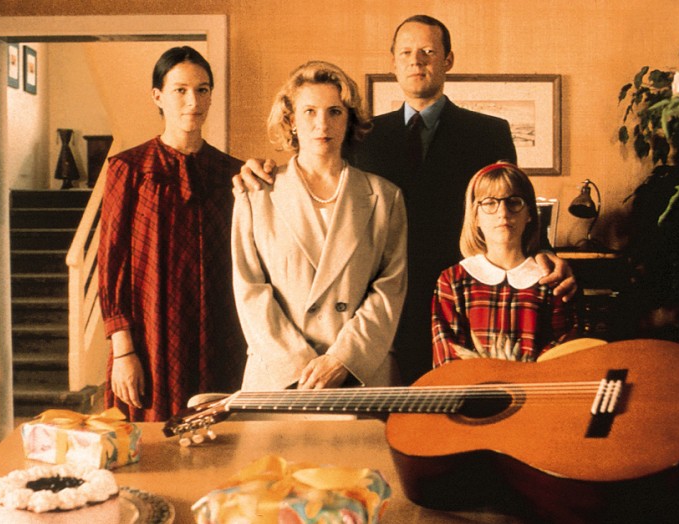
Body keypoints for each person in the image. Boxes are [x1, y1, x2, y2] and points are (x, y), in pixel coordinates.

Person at [233, 14, 576, 385]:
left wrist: (542, 253)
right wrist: (260, 169)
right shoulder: (364, 134)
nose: (417, 61)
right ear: (393, 61)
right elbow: (314, 173)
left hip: (461, 303)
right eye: (407, 52)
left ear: (448, 60)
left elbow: (510, 200)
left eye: (428, 51)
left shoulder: (487, 132)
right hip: (375, 318)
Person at [232, 61, 407, 391]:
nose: (322, 124)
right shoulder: (256, 192)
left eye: (334, 112)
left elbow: (389, 290)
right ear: (291, 121)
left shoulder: (385, 197)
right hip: (280, 376)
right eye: (309, 111)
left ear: (349, 119)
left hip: (359, 374)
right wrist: (300, 366)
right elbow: (249, 290)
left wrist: (343, 359)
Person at [98, 46, 246, 421]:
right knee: (153, 443)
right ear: (158, 96)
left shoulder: (233, 173)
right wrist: (123, 351)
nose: (193, 101)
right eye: (180, 90)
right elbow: (112, 265)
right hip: (151, 340)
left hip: (222, 337)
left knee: (221, 439)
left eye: (202, 89)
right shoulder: (129, 169)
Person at [432, 162, 576, 365]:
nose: (503, 212)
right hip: (472, 383)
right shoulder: (453, 280)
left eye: (514, 202)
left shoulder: (549, 280)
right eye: (490, 203)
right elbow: (448, 354)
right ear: (475, 217)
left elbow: (561, 350)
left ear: (530, 214)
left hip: (535, 382)